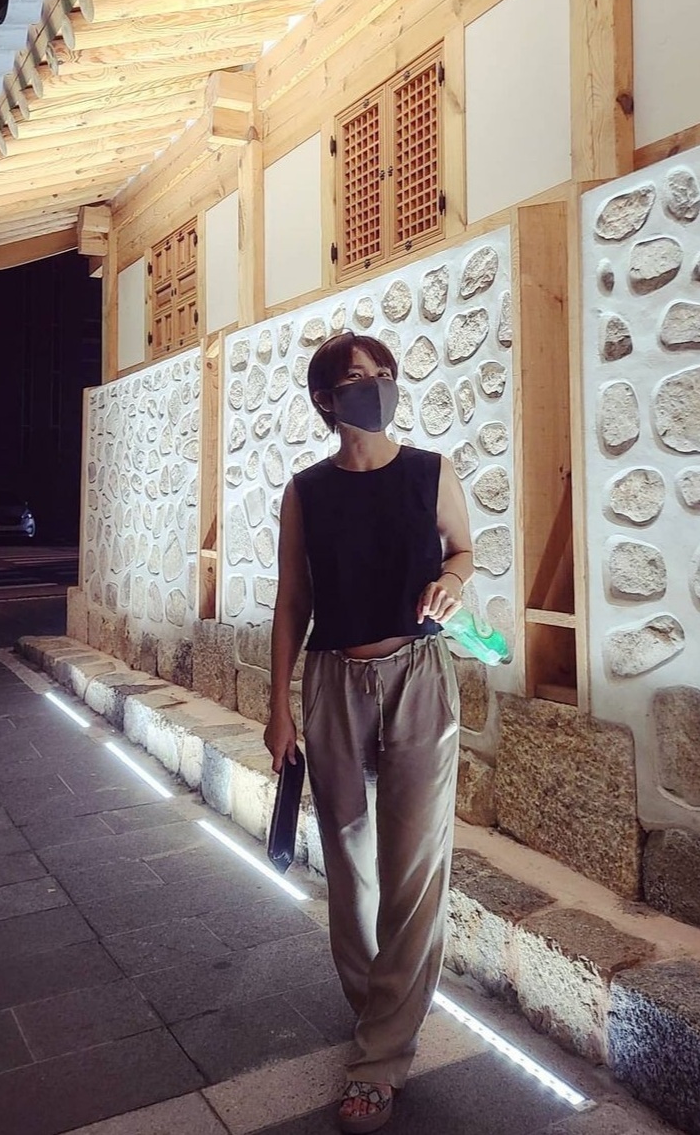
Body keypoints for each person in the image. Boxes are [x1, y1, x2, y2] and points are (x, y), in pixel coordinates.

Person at [264, 331, 474, 1133]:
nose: (377, 386)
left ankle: (380, 1058)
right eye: (359, 378)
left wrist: (451, 581)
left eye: (384, 374)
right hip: (331, 681)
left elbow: (463, 551)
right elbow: (292, 600)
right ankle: (376, 1010)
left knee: (413, 865)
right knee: (348, 862)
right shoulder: (306, 491)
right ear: (325, 398)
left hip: (419, 675)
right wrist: (278, 707)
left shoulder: (429, 471)